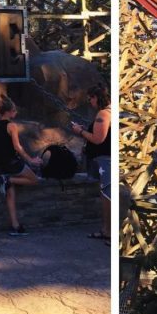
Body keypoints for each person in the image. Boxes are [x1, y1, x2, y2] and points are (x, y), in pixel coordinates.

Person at [0, 95, 41, 236]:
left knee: (10, 194)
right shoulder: (12, 125)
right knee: (34, 179)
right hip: (11, 163)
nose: (16, 112)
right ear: (7, 112)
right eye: (14, 110)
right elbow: (17, 147)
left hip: (1, 165)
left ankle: (15, 225)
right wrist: (31, 160)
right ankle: (9, 180)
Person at [71, 84, 111, 245]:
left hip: (105, 160)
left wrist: (79, 131)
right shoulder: (108, 112)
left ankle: (110, 233)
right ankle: (105, 230)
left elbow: (98, 139)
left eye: (90, 98)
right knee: (105, 195)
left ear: (96, 97)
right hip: (102, 159)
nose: (90, 102)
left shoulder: (103, 113)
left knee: (108, 197)